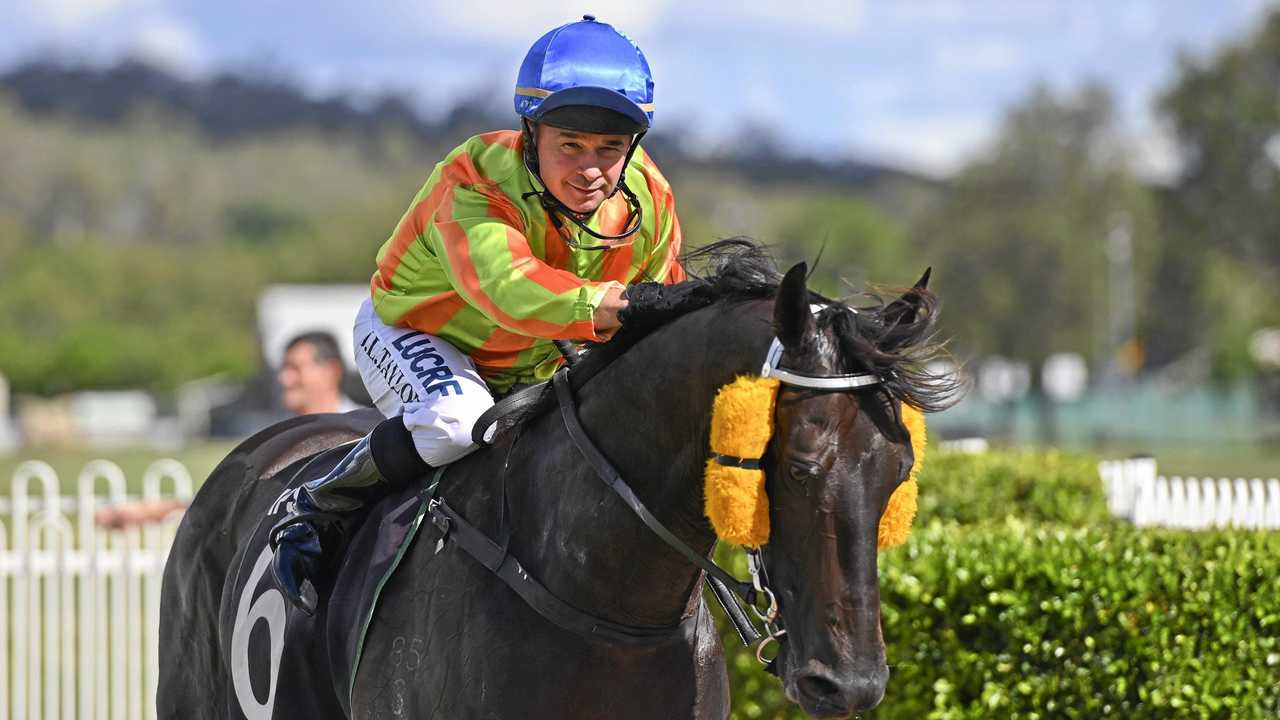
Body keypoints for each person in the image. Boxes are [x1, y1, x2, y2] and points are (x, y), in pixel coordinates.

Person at [269, 15, 692, 614]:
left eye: (610, 148)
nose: (591, 169)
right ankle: (317, 501)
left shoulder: (650, 199)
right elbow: (509, 291)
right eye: (569, 145)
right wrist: (620, 305)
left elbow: (662, 309)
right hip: (417, 333)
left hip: (536, 357)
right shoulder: (474, 180)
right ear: (530, 134)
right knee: (455, 421)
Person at [277, 331, 361, 416]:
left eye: (296, 368)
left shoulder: (364, 426)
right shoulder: (281, 427)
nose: (284, 379)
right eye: (284, 368)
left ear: (332, 371)